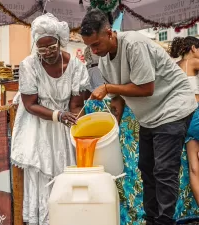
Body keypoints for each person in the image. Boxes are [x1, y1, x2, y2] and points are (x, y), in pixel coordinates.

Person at [80, 8, 197, 225]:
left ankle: (164, 221)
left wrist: (107, 87)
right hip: (150, 116)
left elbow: (146, 88)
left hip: (173, 105)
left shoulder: (134, 44)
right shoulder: (105, 61)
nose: (94, 51)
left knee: (164, 169)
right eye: (89, 46)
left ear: (109, 32)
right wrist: (111, 126)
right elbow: (117, 99)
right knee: (146, 167)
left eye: (96, 44)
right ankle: (152, 219)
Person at [11, 13, 90, 225]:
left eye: (51, 48)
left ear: (59, 42)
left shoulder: (76, 66)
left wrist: (73, 116)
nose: (47, 54)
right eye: (42, 49)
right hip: (38, 124)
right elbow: (29, 105)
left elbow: (75, 104)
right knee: (43, 173)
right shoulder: (29, 65)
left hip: (63, 126)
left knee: (65, 169)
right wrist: (58, 115)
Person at [168, 36, 199, 205]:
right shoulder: (193, 62)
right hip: (197, 115)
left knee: (194, 169)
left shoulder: (173, 67)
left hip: (182, 120)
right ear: (193, 48)